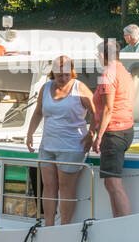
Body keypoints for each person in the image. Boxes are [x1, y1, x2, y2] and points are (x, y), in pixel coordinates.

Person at [25, 56, 96, 226]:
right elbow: (37, 112)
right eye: (59, 75)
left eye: (66, 75)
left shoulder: (80, 88)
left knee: (66, 188)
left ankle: (64, 226)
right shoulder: (46, 87)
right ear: (53, 73)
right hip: (48, 145)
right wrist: (29, 134)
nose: (63, 79)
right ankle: (48, 225)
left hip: (72, 146)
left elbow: (96, 112)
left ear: (71, 73)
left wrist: (91, 134)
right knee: (48, 187)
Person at [85, 38, 135, 217]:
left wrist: (98, 136)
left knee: (113, 183)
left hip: (113, 132)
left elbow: (108, 108)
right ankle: (118, 220)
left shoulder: (108, 74)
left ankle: (123, 223)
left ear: (102, 55)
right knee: (110, 183)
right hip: (126, 129)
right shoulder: (124, 72)